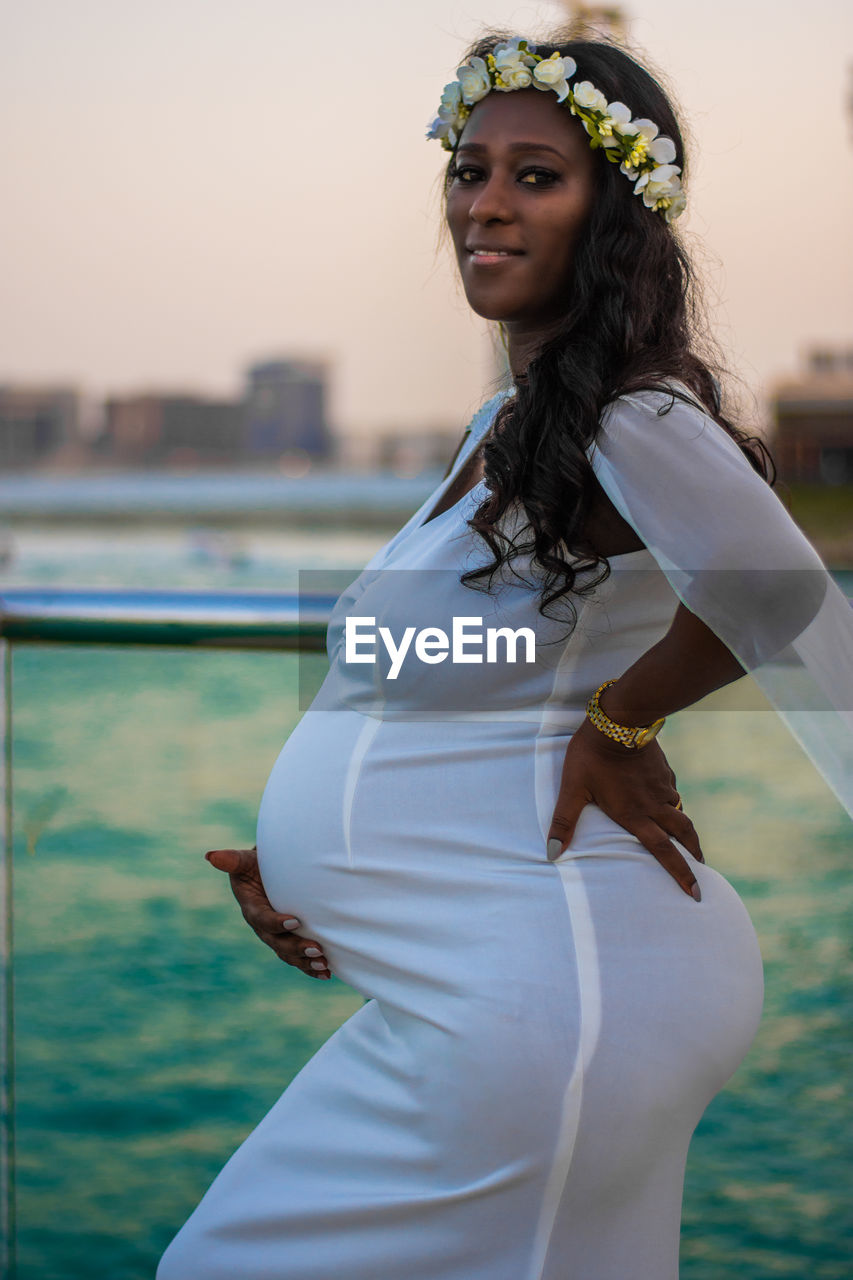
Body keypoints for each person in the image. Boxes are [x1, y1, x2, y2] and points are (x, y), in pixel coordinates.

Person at [157, 31, 853, 1280]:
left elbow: (776, 585)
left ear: (615, 211)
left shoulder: (630, 413)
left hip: (561, 988)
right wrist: (308, 850)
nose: (484, 202)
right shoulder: (511, 420)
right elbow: (449, 664)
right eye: (469, 169)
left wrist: (623, 723)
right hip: (485, 986)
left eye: (536, 176)